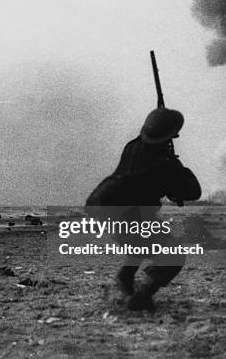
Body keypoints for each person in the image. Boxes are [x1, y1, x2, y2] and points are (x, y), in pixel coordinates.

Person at [86, 108, 201, 311]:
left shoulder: (132, 146)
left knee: (143, 240)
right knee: (174, 253)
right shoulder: (164, 164)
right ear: (169, 135)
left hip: (104, 207)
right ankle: (142, 295)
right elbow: (192, 191)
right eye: (175, 132)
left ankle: (125, 277)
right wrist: (176, 164)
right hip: (128, 215)